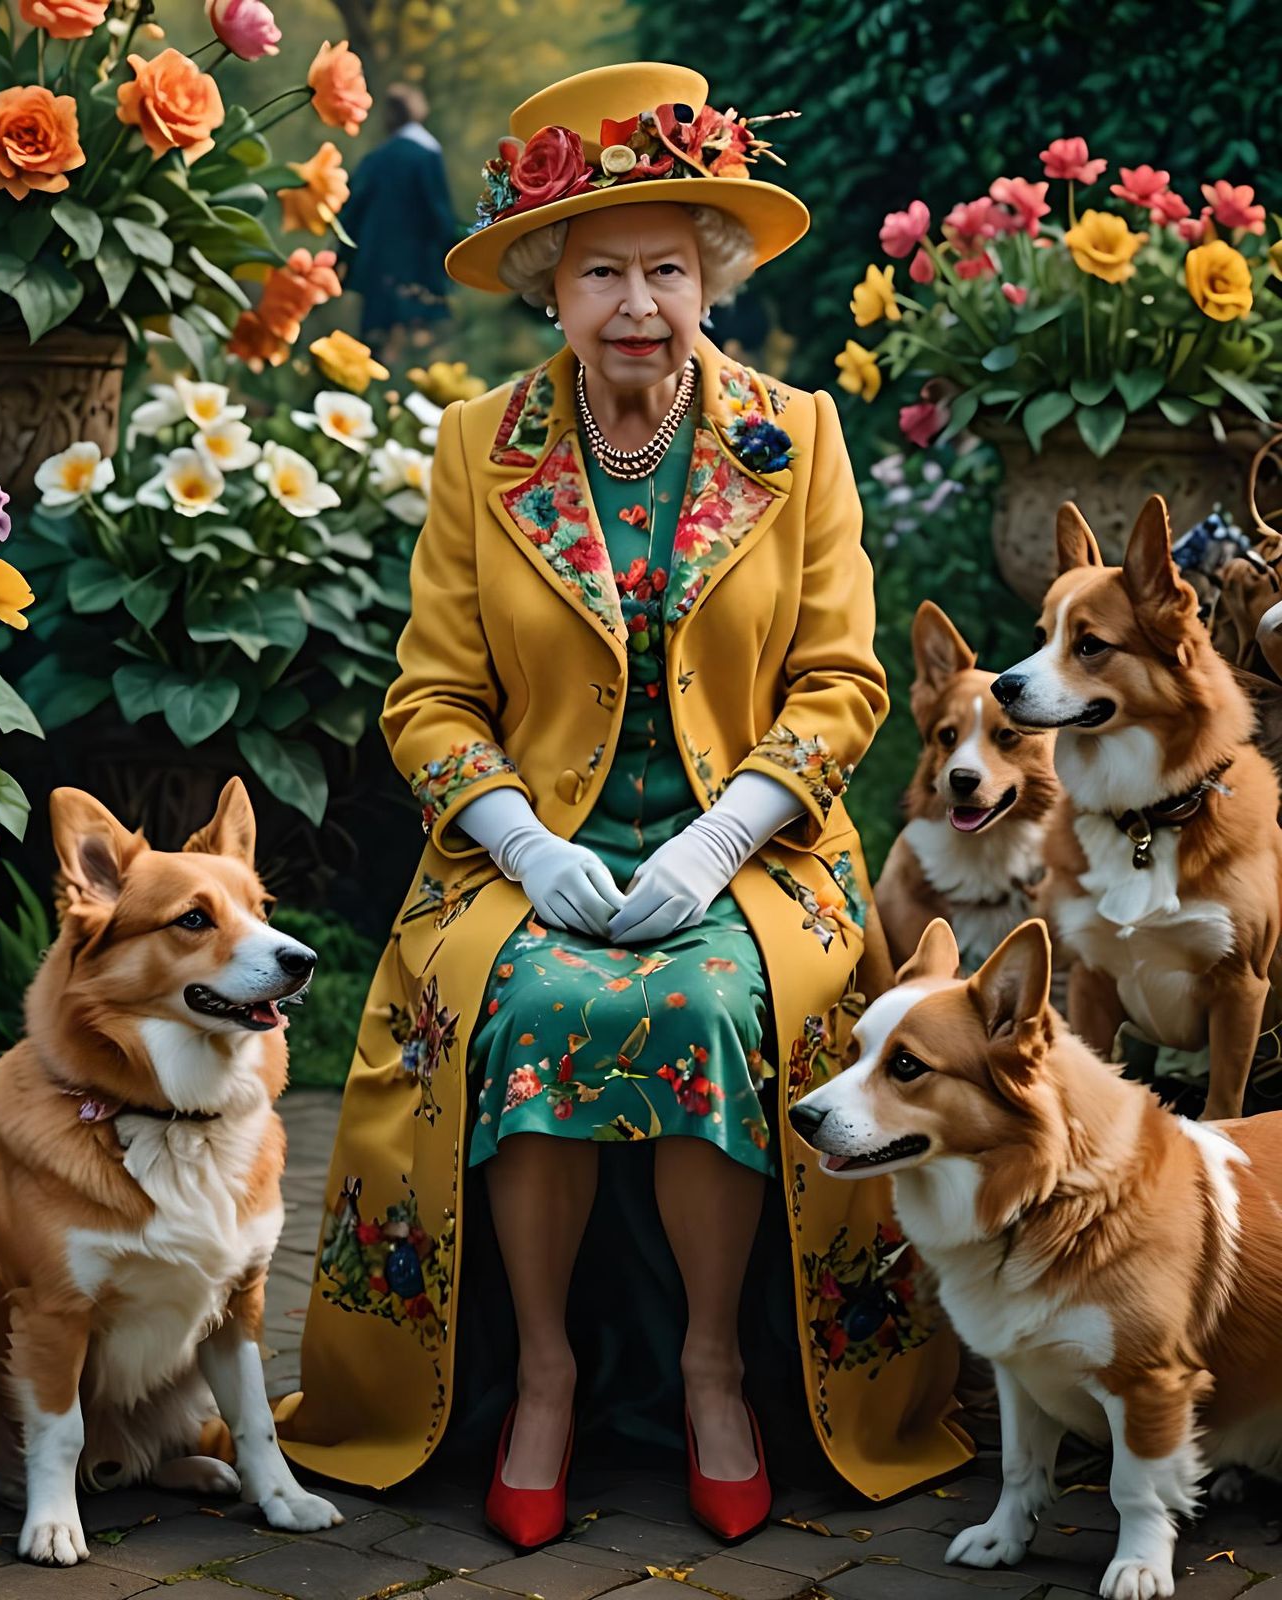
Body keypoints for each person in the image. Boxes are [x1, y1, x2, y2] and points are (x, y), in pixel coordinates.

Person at [276, 61, 969, 1548]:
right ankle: (541, 1377)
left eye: (668, 267)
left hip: (761, 860)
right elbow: (431, 697)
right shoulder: (482, 447)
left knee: (718, 1001)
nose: (640, 302)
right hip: (528, 861)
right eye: (604, 272)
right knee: (529, 1008)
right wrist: (519, 837)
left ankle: (717, 1370)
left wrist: (725, 836)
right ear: (551, 285)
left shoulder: (800, 440)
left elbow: (844, 681)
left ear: (712, 275)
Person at [336, 83, 460, 366]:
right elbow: (438, 214)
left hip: (377, 262)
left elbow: (352, 211)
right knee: (414, 348)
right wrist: (458, 254)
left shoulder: (377, 158)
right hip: (416, 265)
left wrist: (343, 257)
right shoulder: (426, 155)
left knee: (374, 343)